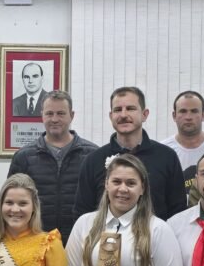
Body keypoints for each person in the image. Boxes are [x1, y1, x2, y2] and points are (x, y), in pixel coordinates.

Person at [75, 86, 186, 221]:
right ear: (111, 116)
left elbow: (178, 212)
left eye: (130, 108)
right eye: (117, 110)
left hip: (154, 233)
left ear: (144, 114)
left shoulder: (167, 157)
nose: (123, 115)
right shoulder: (93, 160)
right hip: (105, 234)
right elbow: (83, 212)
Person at [7, 90, 97, 247]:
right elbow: (11, 203)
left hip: (81, 242)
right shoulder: (23, 157)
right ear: (41, 115)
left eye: (61, 113)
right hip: (36, 242)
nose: (55, 119)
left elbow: (100, 202)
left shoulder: (92, 155)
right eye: (49, 113)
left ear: (72, 115)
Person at [162, 90, 204, 196]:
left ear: (203, 115)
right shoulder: (163, 151)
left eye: (194, 111)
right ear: (174, 115)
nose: (188, 117)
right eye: (183, 111)